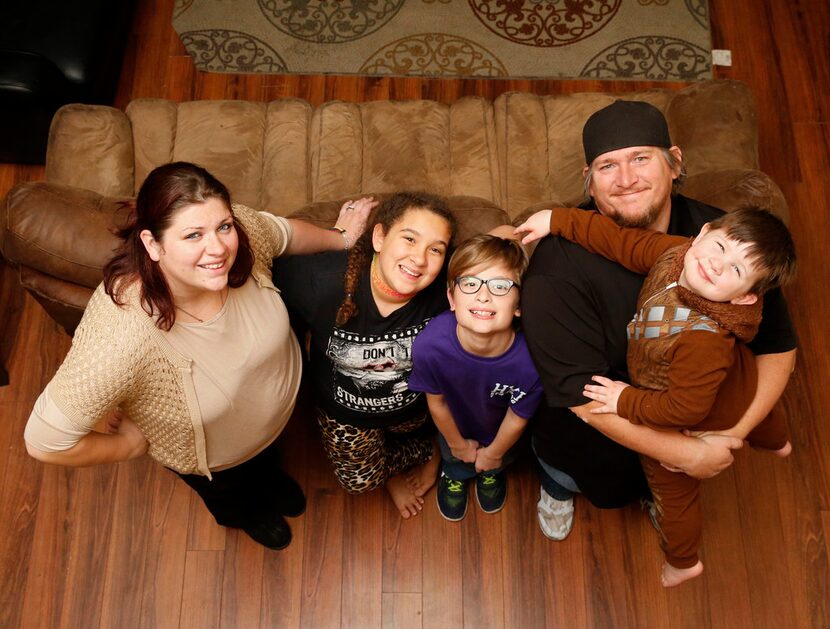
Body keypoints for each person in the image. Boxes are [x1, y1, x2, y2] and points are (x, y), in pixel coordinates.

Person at [23, 161, 375, 551]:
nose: (219, 248)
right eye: (193, 235)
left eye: (223, 226)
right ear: (153, 244)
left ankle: (269, 474)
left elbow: (285, 234)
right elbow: (44, 442)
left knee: (267, 467)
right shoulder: (122, 333)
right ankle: (249, 514)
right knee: (235, 499)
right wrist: (131, 445)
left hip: (273, 419)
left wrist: (340, 237)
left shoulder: (239, 235)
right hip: (218, 465)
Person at [518, 100, 798, 543]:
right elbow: (579, 397)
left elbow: (777, 345)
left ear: (675, 163)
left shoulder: (725, 240)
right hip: (597, 417)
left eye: (641, 158)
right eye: (608, 166)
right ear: (589, 183)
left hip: (690, 405)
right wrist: (689, 455)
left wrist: (728, 436)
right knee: (584, 477)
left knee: (663, 487)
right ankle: (557, 486)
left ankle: (656, 491)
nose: (626, 180)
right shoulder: (555, 270)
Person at [517, 205, 796, 585]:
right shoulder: (675, 252)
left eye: (736, 271)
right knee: (753, 402)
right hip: (736, 378)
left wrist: (625, 401)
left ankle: (683, 562)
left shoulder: (704, 341)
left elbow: (682, 409)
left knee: (674, 491)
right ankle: (777, 441)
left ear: (745, 298)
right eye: (719, 247)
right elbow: (619, 241)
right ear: (703, 232)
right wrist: (558, 220)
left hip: (696, 408)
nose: (716, 264)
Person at [273, 192, 457, 519]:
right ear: (379, 237)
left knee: (429, 430)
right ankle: (390, 472)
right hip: (346, 414)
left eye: (435, 249)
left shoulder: (448, 290)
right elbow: (264, 272)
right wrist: (336, 237)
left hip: (415, 408)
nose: (419, 259)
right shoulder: (320, 282)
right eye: (409, 239)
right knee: (359, 481)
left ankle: (432, 454)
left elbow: (499, 253)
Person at [408, 235, 543, 521]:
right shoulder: (430, 345)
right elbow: (437, 404)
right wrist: (457, 445)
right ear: (451, 298)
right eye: (470, 283)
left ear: (519, 304)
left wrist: (494, 454)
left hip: (502, 433)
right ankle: (455, 473)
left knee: (498, 459)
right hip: (454, 427)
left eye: (500, 286)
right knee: (455, 457)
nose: (483, 295)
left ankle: (491, 472)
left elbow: (517, 417)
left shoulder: (531, 360)